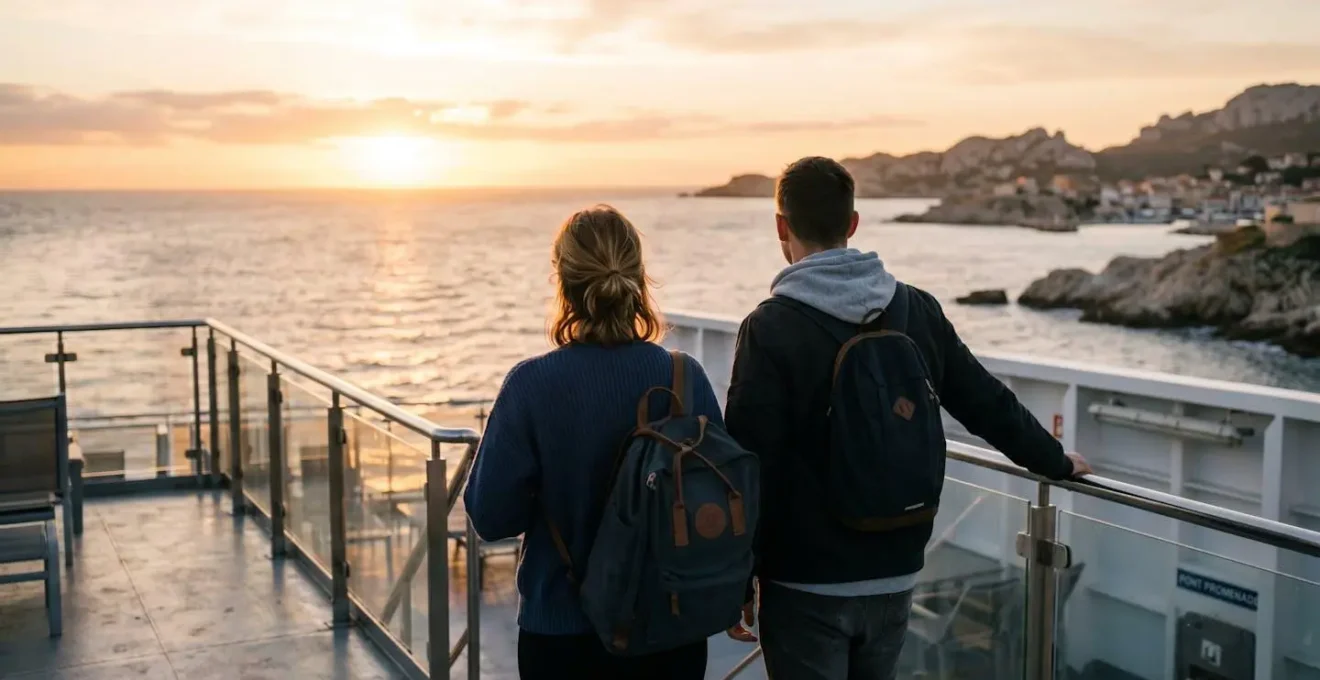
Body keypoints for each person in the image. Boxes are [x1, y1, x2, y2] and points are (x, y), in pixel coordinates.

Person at [723, 157, 1092, 680]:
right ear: (853, 224)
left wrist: (741, 579)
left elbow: (752, 463)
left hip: (805, 582)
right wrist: (1053, 460)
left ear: (781, 227)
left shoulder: (770, 327)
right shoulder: (916, 309)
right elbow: (986, 402)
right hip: (897, 566)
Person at [464, 205, 724, 680]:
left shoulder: (531, 385)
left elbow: (491, 517)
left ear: (562, 281)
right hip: (669, 627)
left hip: (562, 634)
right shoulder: (685, 377)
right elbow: (716, 497)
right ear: (638, 278)